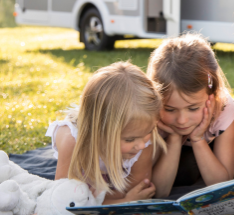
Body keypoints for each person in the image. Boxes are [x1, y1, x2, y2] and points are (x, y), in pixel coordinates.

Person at [46, 61, 165, 204]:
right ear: (101, 133)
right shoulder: (72, 141)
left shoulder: (142, 137)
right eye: (129, 139)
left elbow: (136, 189)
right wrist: (125, 201)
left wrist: (121, 197)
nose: (140, 145)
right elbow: (65, 201)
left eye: (148, 132)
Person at [148, 33, 234, 198]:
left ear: (212, 95)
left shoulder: (222, 107)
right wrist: (173, 139)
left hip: (215, 135)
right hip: (180, 150)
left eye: (193, 108)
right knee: (186, 170)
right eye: (170, 109)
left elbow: (222, 184)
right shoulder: (150, 113)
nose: (182, 120)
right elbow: (158, 191)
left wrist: (198, 139)